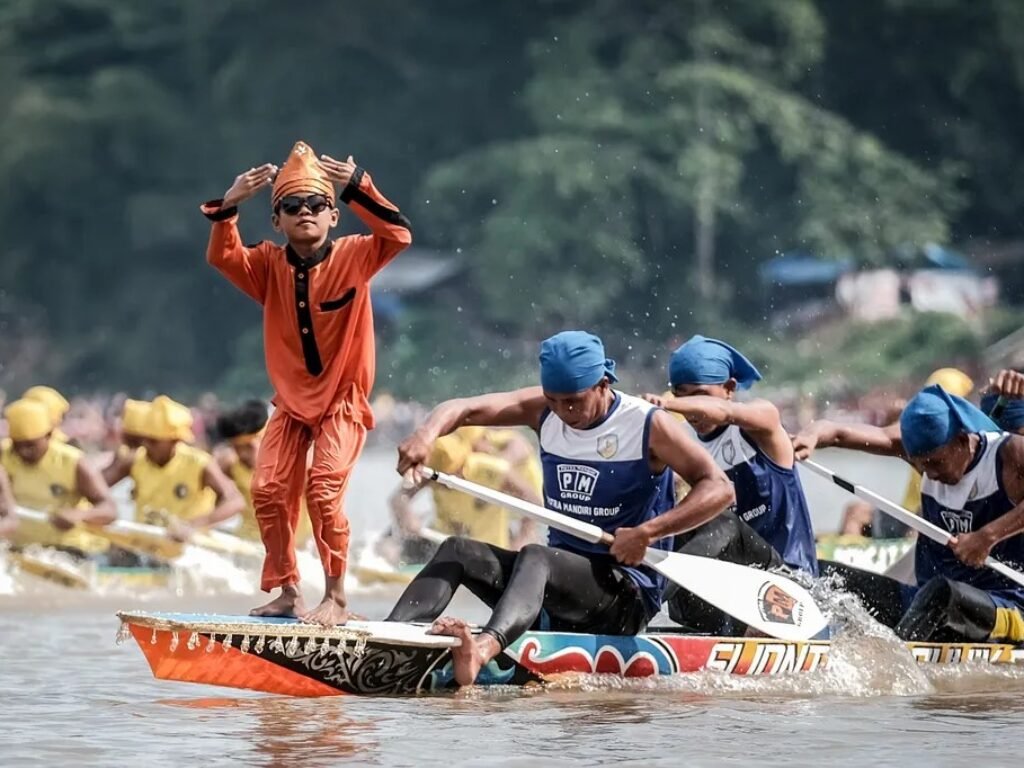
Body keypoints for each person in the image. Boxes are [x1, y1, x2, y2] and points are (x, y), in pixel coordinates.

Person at [388, 331, 735, 686]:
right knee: (457, 551)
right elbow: (462, 409)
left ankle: (483, 650)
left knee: (537, 555)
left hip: (623, 594)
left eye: (573, 401)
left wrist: (648, 533)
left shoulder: (647, 424)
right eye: (553, 400)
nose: (563, 411)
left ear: (603, 384)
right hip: (554, 587)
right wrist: (426, 435)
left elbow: (720, 488)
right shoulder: (543, 409)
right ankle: (386, 640)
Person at [203, 141, 412, 625]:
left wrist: (358, 186)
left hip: (343, 401)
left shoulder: (357, 255)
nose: (305, 213)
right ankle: (287, 591)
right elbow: (223, 257)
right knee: (267, 488)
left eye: (316, 204)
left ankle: (336, 597)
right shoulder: (267, 266)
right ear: (276, 221)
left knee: (322, 490)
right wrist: (229, 206)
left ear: (333, 216)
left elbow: (398, 234)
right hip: (292, 404)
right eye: (292, 206)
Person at [793, 382, 1024, 643]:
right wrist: (808, 437)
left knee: (943, 594)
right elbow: (837, 433)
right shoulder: (917, 448)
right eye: (921, 466)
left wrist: (987, 537)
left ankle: (896, 659)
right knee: (824, 573)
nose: (930, 474)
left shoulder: (1011, 454)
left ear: (962, 439)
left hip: (1005, 605)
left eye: (936, 463)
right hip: (926, 604)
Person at [644, 334, 817, 633]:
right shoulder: (686, 447)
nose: (689, 408)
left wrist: (668, 405)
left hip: (787, 589)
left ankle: (643, 605)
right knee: (670, 518)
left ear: (729, 388)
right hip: (730, 593)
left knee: (719, 520)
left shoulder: (763, 421)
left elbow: (727, 413)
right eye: (681, 395)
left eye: (699, 396)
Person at [386, 428, 540, 564]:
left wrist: (520, 543)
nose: (444, 484)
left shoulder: (490, 468)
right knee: (392, 548)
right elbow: (397, 498)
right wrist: (407, 517)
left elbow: (533, 501)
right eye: (439, 480)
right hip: (443, 542)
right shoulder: (431, 472)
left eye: (451, 475)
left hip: (489, 550)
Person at [103, 395, 243, 540]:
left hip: (187, 544)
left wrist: (194, 525)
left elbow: (235, 501)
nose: (146, 445)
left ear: (174, 441)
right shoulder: (135, 460)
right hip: (146, 542)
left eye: (154, 441)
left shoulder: (199, 463)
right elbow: (97, 486)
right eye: (145, 439)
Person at [0, 398, 116, 555]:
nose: (23, 452)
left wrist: (79, 515)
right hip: (18, 548)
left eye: (30, 445)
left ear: (49, 435)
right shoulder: (4, 455)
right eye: (17, 445)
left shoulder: (72, 461)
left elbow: (109, 509)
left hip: (65, 549)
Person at [214, 400, 313, 546]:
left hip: (294, 547)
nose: (242, 454)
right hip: (247, 542)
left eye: (248, 447)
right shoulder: (229, 464)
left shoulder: (298, 466)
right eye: (236, 448)